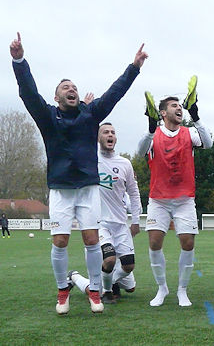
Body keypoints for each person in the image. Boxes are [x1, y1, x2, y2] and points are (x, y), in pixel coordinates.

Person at [10, 32, 148, 314]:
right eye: (65, 87)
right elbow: (27, 93)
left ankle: (95, 290)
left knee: (91, 240)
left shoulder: (90, 114)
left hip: (88, 188)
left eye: (74, 86)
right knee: (60, 241)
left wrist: (133, 67)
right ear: (57, 96)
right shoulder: (47, 116)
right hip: (60, 189)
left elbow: (115, 93)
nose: (71, 89)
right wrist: (19, 60)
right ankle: (63, 289)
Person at [139, 79, 213, 307]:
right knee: (154, 242)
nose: (179, 108)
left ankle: (182, 290)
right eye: (173, 106)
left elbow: (208, 143)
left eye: (180, 105)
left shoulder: (189, 133)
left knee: (187, 243)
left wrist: (196, 114)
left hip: (184, 199)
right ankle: (162, 289)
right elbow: (141, 151)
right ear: (162, 113)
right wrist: (151, 130)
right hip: (158, 200)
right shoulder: (154, 134)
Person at [94, 122, 141, 303]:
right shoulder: (91, 160)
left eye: (113, 132)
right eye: (105, 132)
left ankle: (102, 283)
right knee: (110, 259)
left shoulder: (124, 164)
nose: (110, 135)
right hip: (100, 224)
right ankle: (106, 292)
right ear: (98, 138)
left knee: (129, 265)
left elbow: (134, 193)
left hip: (121, 224)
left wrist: (135, 221)